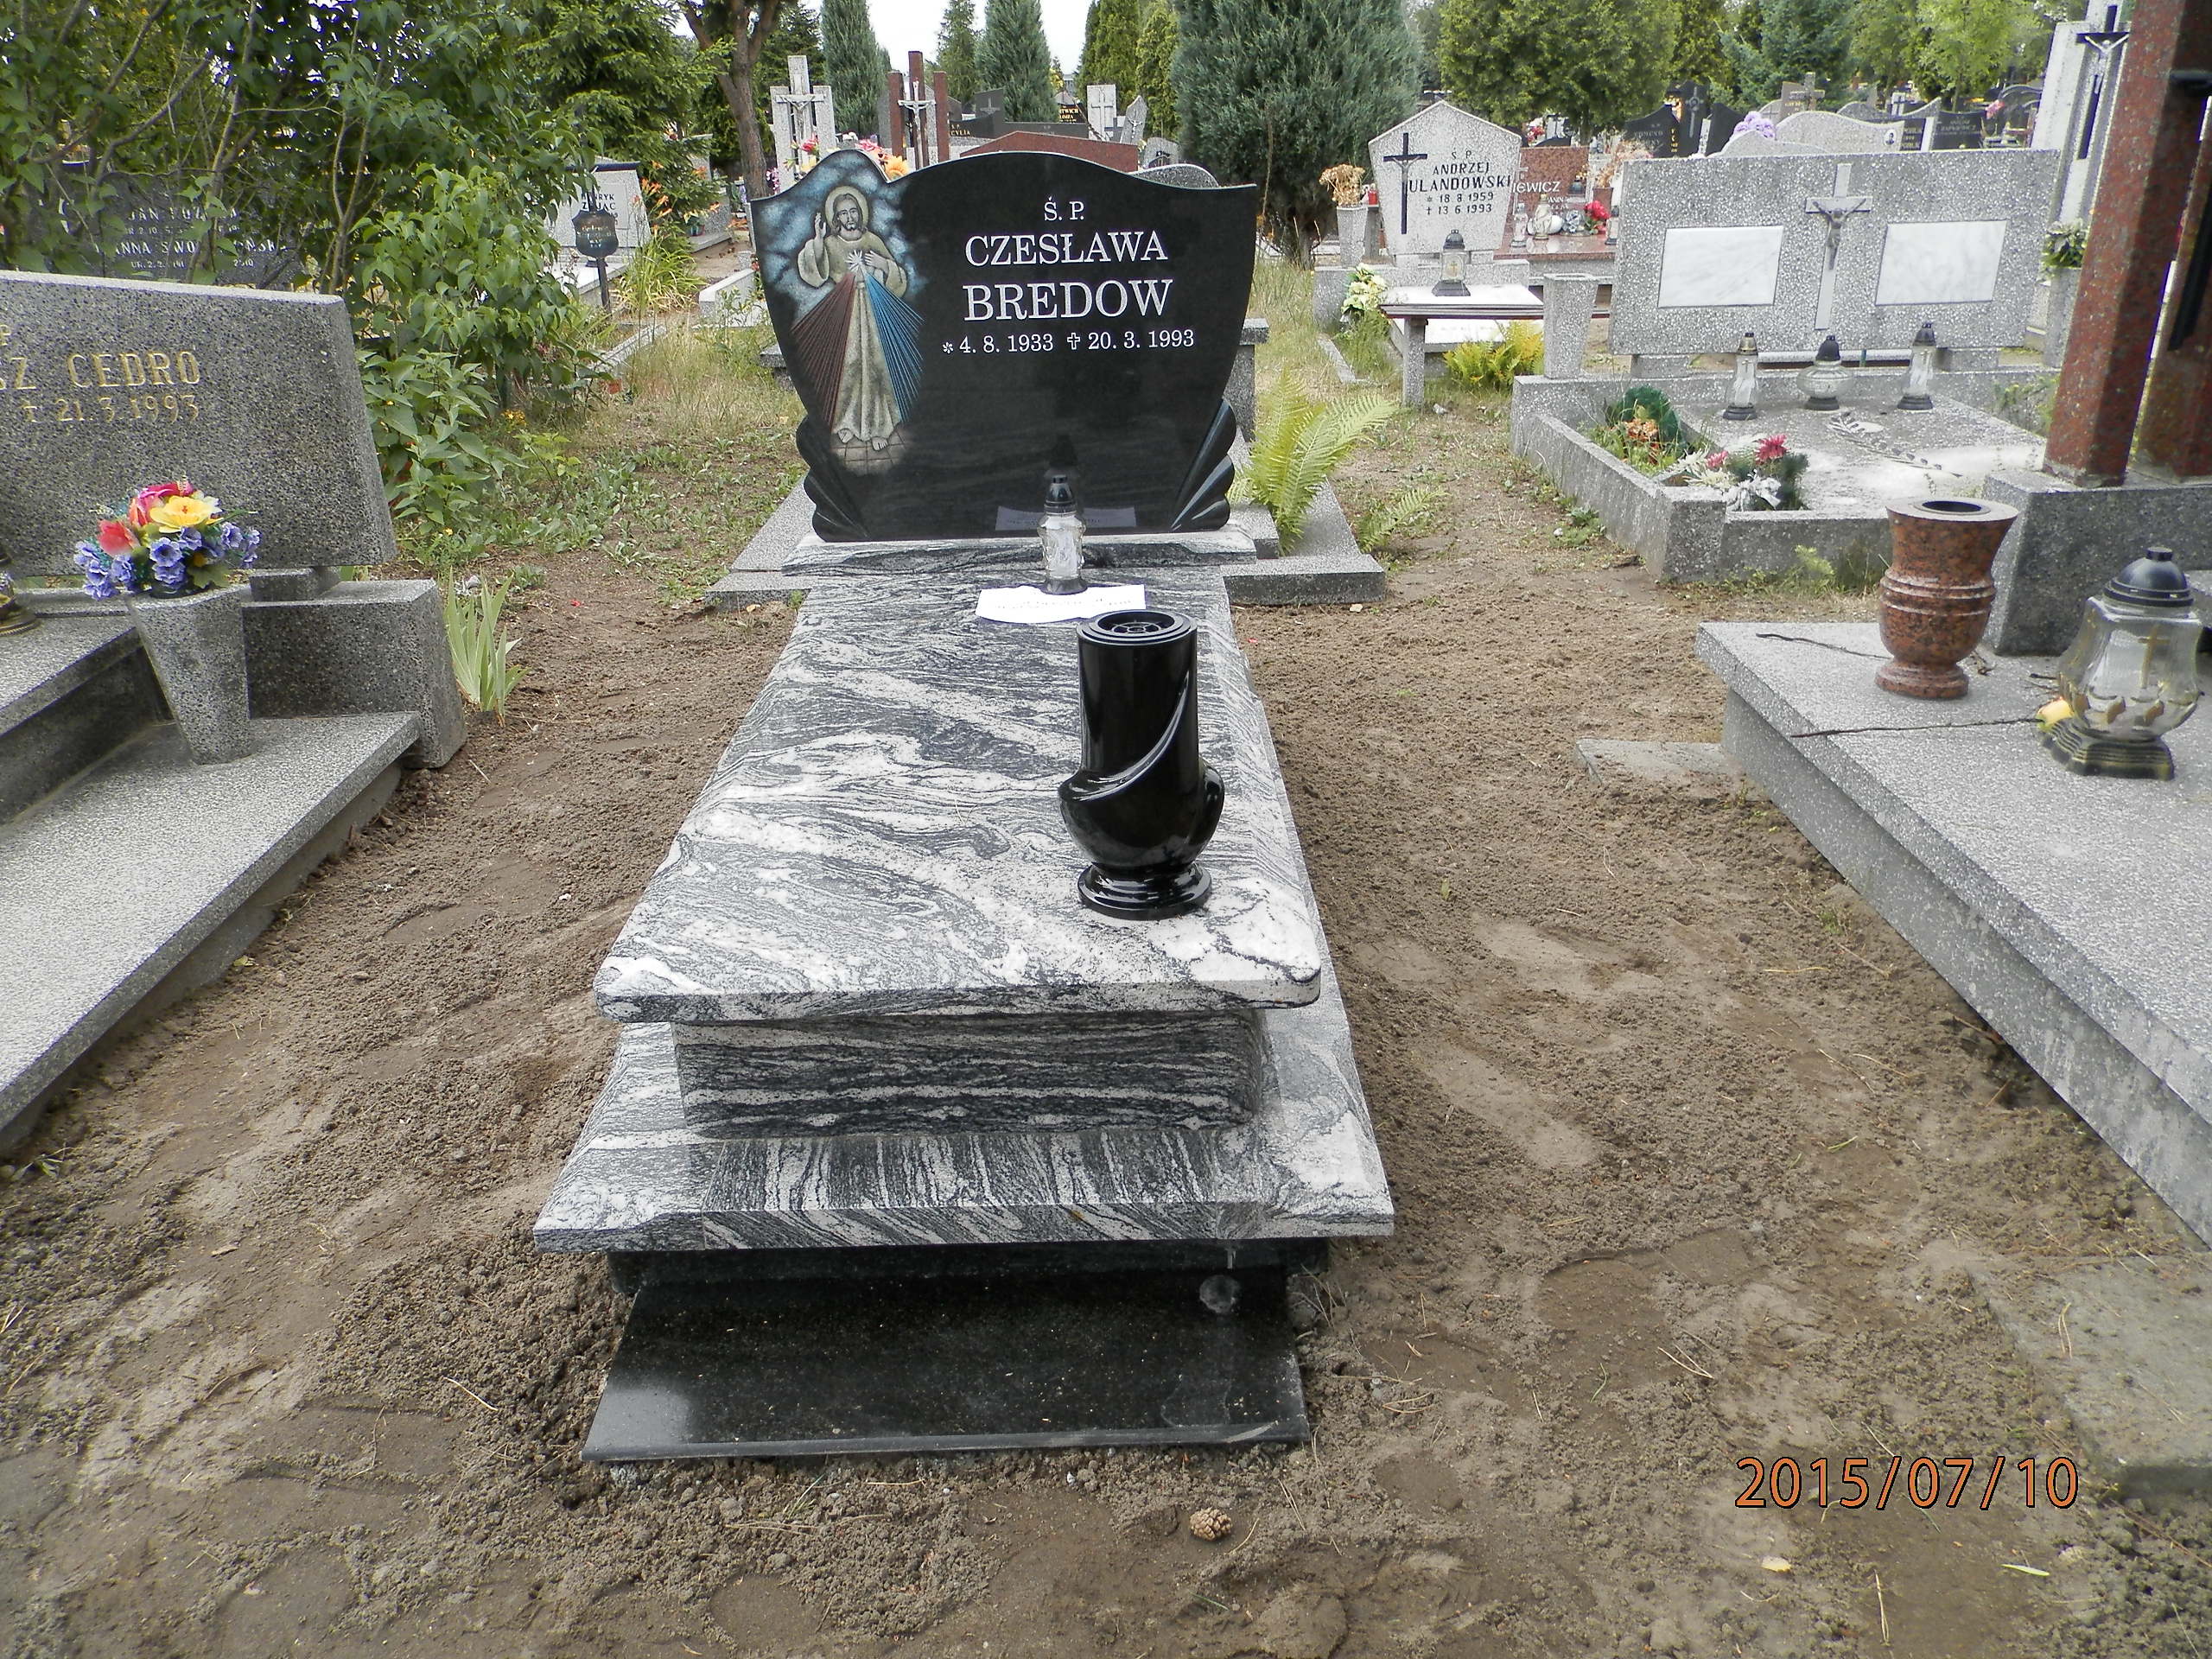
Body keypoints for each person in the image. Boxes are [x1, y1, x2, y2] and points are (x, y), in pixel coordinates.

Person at [792, 184, 914, 450]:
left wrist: (884, 265)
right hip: (845, 310)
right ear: (836, 218)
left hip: (874, 310)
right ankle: (847, 423)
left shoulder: (872, 241)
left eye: (853, 211)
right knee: (848, 365)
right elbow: (814, 274)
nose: (849, 217)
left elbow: (899, 278)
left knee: (876, 363)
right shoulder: (831, 243)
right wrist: (817, 239)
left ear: (860, 213)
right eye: (843, 213)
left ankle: (879, 427)